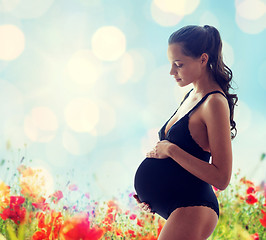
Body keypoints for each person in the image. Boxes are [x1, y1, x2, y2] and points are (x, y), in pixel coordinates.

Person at [133, 25, 238, 240]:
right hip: (179, 207)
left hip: (194, 206)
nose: (172, 72)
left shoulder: (215, 103)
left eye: (178, 65)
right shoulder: (191, 95)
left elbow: (222, 178)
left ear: (202, 59)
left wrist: (170, 149)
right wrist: (155, 197)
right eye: (171, 64)